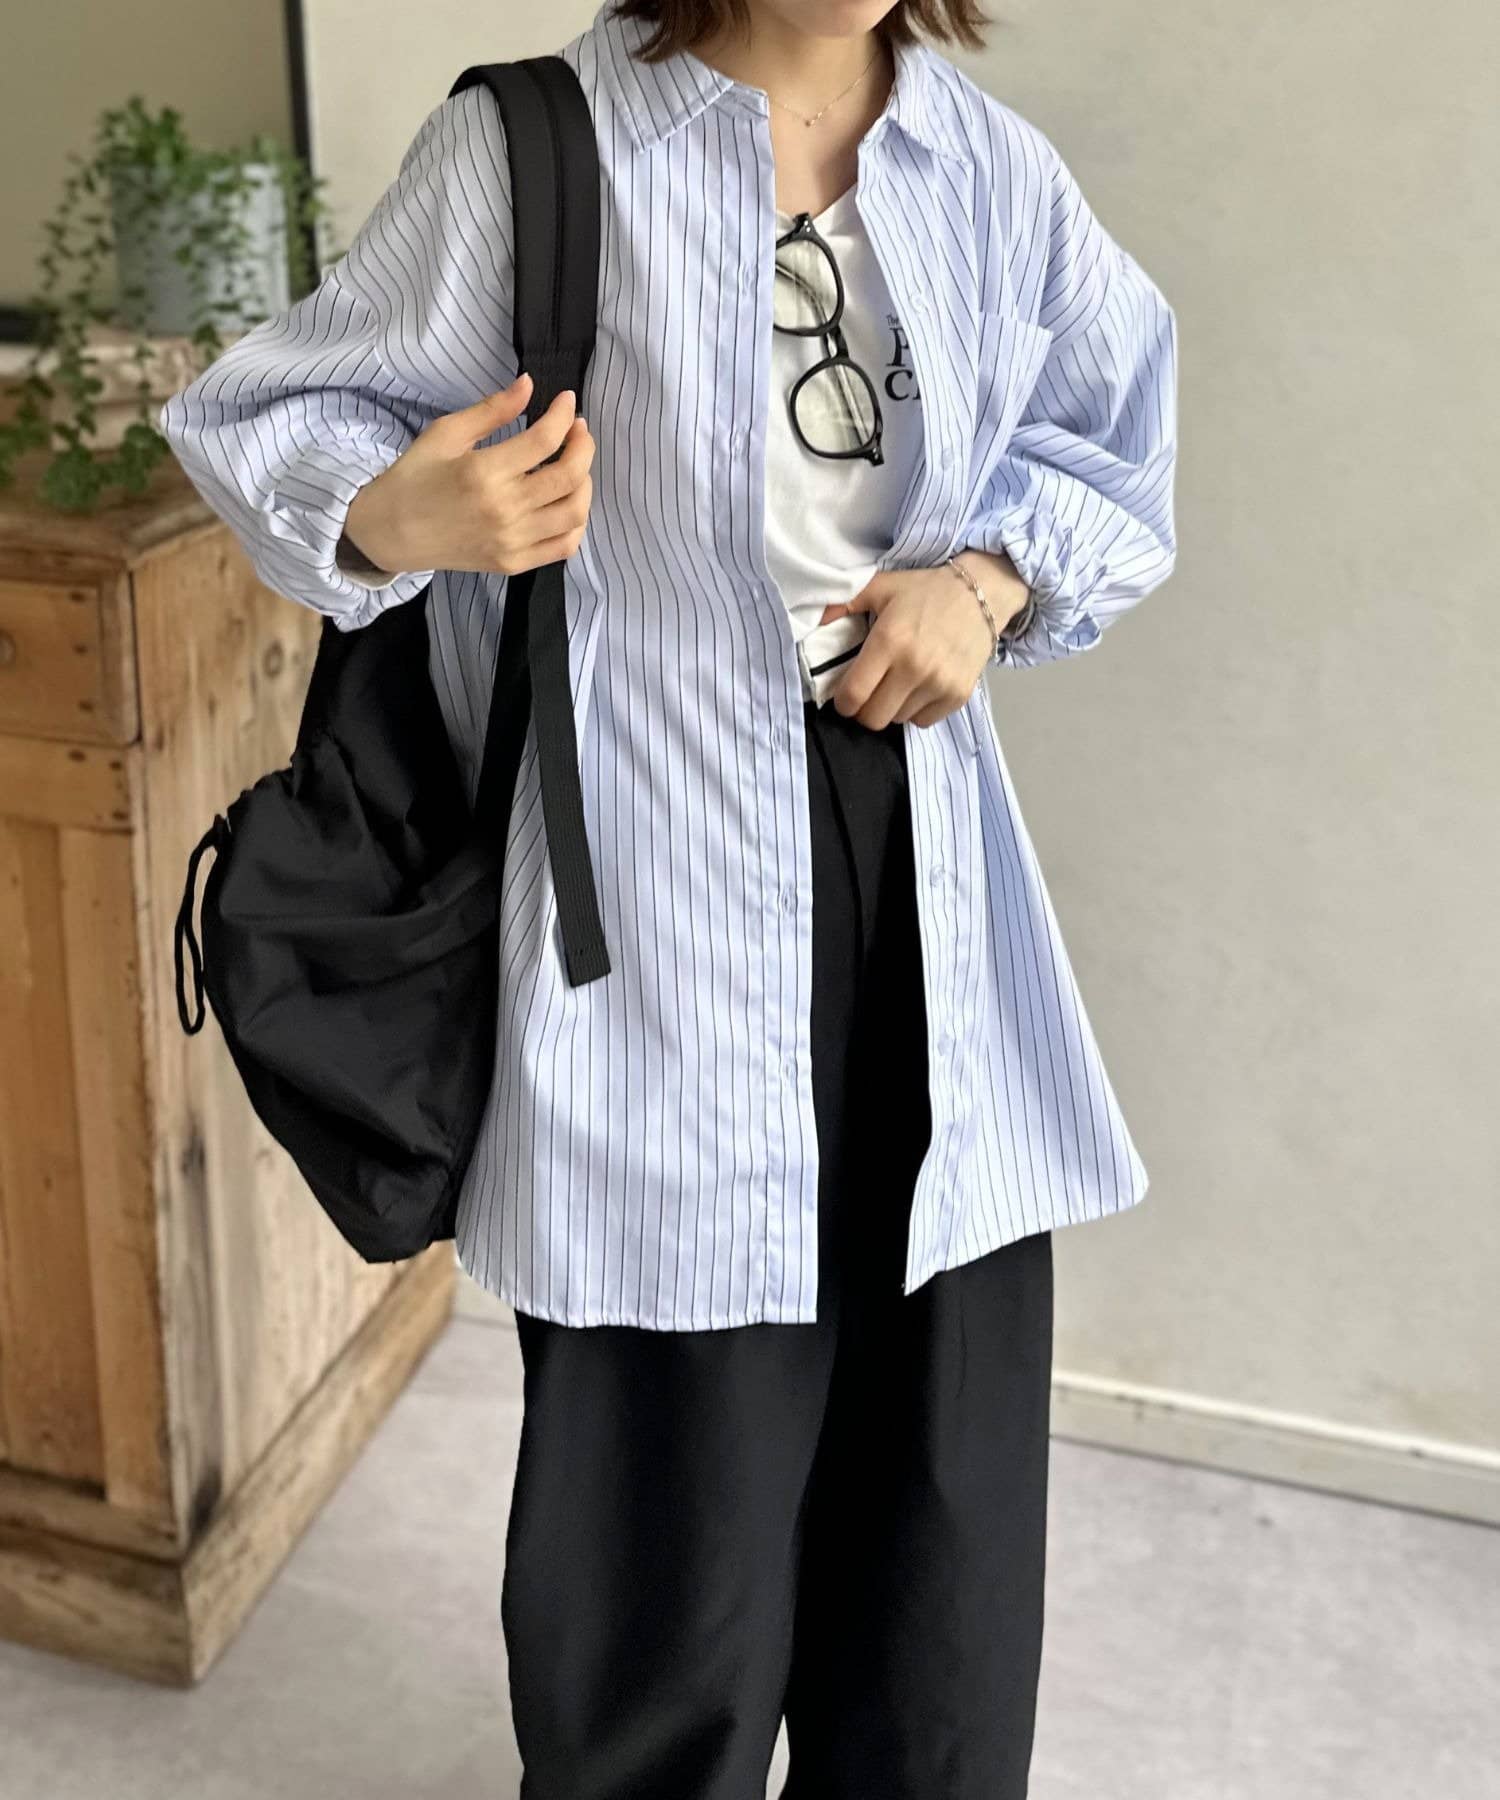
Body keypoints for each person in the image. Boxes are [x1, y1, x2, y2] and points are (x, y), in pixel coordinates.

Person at [159, 1, 1178, 1792]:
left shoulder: (985, 169)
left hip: (928, 911)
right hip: (649, 916)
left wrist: (986, 584)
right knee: (663, 1616)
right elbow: (262, 417)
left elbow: (1112, 434)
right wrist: (402, 514)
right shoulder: (541, 151)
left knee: (937, 1600)